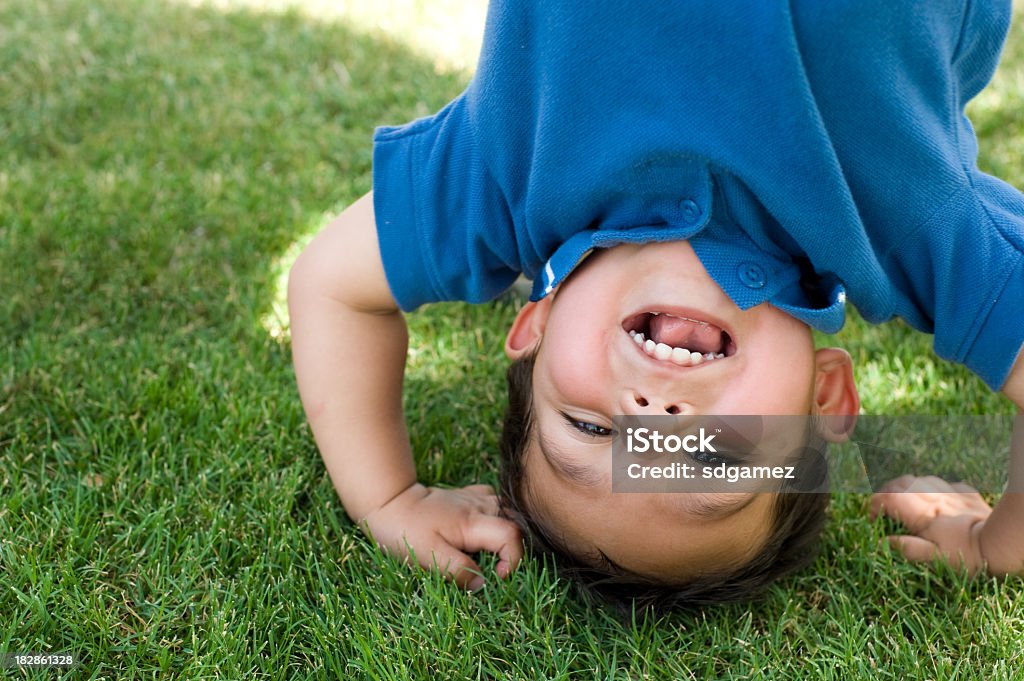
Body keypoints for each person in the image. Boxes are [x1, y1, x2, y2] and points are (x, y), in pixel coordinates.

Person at [288, 0, 1024, 605]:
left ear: (534, 328)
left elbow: (330, 285)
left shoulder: (511, 169)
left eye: (587, 426)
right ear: (823, 397)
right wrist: (997, 545)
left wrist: (388, 498)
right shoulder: (902, 219)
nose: (653, 417)